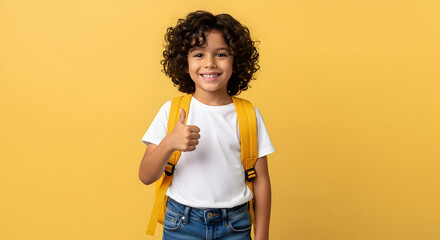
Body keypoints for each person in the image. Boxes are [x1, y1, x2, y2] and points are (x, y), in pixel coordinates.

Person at [139, 10, 275, 240]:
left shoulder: (249, 114)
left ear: (236, 61)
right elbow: (145, 175)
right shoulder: (172, 111)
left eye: (221, 54)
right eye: (199, 54)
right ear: (185, 62)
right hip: (181, 224)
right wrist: (170, 143)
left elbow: (261, 180)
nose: (210, 63)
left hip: (236, 226)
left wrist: (262, 237)